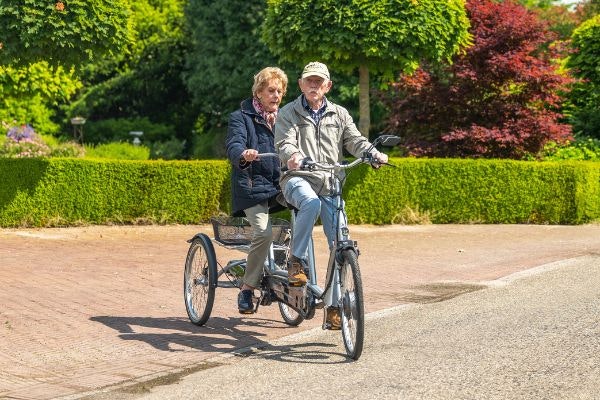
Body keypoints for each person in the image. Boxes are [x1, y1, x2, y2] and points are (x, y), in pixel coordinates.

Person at [275, 61, 388, 329]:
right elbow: (285, 142)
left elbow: (355, 140)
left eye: (319, 81)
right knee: (310, 202)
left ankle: (334, 306)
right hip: (297, 178)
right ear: (301, 84)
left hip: (330, 182)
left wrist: (372, 153)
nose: (313, 85)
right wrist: (294, 157)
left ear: (328, 86)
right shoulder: (289, 112)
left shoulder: (339, 114)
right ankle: (297, 261)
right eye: (309, 81)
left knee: (340, 245)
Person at [226, 67, 288, 314]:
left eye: (280, 91)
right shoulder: (240, 117)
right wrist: (243, 154)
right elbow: (234, 144)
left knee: (308, 210)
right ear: (259, 92)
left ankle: (295, 274)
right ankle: (247, 289)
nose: (276, 96)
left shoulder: (286, 118)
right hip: (251, 186)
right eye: (271, 90)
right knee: (263, 232)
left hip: (280, 184)